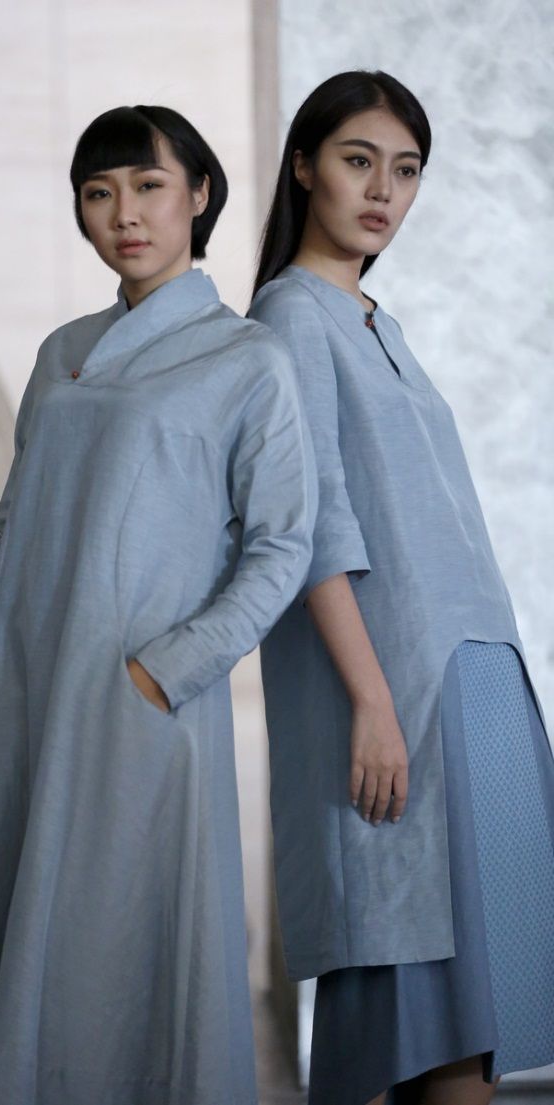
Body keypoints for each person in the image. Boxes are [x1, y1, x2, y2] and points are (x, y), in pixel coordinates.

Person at [0, 105, 316, 1105]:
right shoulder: (63, 350)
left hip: (139, 702)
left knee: (121, 951)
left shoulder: (246, 360)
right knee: (4, 931)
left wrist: (168, 671)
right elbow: (16, 520)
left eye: (147, 185)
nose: (123, 213)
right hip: (19, 695)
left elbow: (282, 547)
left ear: (200, 194)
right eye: (98, 193)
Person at [249, 70, 554, 1105]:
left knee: (469, 1022)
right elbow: (310, 524)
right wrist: (371, 701)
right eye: (358, 160)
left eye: (407, 169)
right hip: (399, 694)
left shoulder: (379, 319)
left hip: (474, 681)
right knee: (404, 1014)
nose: (383, 190)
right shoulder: (292, 317)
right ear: (304, 167)